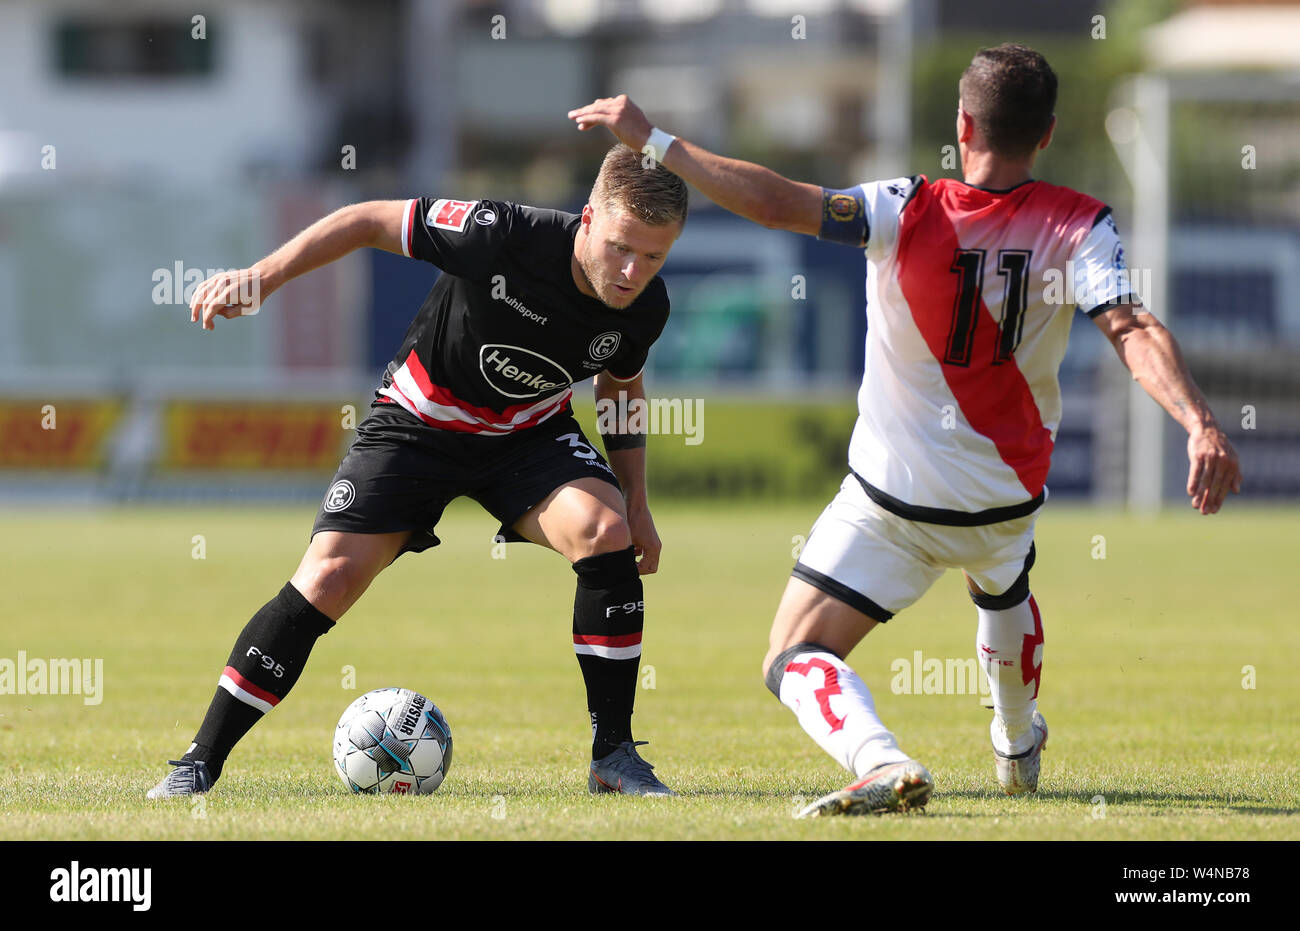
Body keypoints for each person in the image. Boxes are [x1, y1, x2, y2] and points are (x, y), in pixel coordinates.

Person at [569, 44, 1242, 816]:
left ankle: (881, 758)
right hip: (1006, 498)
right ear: (1047, 133)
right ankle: (1018, 741)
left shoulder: (900, 205)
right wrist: (1200, 422)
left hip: (894, 502)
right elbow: (1131, 325)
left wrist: (657, 142)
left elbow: (778, 200)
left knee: (793, 653)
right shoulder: (1080, 224)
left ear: (962, 123)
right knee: (1001, 576)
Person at [148, 144, 688, 799]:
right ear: (588, 218)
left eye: (653, 255)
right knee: (329, 576)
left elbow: (620, 384)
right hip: (419, 423)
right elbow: (365, 219)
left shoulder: (645, 306)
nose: (632, 270)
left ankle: (614, 755)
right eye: (621, 246)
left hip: (528, 438)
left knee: (605, 532)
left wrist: (636, 499)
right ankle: (198, 761)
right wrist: (261, 277)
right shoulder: (500, 234)